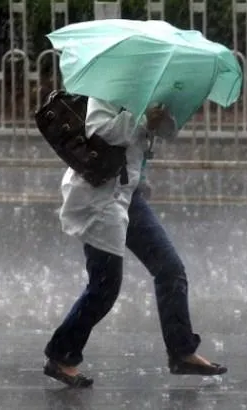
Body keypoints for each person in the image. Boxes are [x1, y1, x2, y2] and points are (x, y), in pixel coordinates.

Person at [43, 97, 227, 388]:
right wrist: (141, 120)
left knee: (170, 270)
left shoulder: (151, 89)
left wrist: (161, 118)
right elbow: (98, 130)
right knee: (104, 287)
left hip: (128, 195)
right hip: (99, 196)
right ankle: (61, 355)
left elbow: (166, 132)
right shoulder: (108, 88)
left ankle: (182, 352)